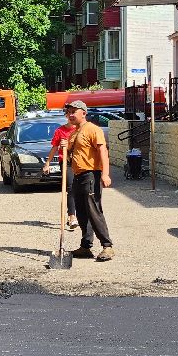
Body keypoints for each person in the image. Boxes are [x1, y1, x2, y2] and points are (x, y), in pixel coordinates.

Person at [48, 100, 113, 261]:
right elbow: (70, 156)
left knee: (94, 211)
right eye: (68, 112)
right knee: (82, 213)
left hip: (91, 175)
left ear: (83, 113)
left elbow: (103, 151)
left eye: (73, 112)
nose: (70, 115)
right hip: (78, 176)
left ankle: (107, 246)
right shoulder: (74, 133)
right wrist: (65, 147)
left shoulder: (93, 129)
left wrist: (105, 174)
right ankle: (86, 246)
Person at [42, 119, 80, 232]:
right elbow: (54, 147)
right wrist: (47, 163)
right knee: (71, 187)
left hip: (80, 161)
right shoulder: (60, 131)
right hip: (66, 162)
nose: (71, 116)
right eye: (69, 113)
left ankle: (82, 216)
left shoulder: (81, 129)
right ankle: (72, 216)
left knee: (81, 189)